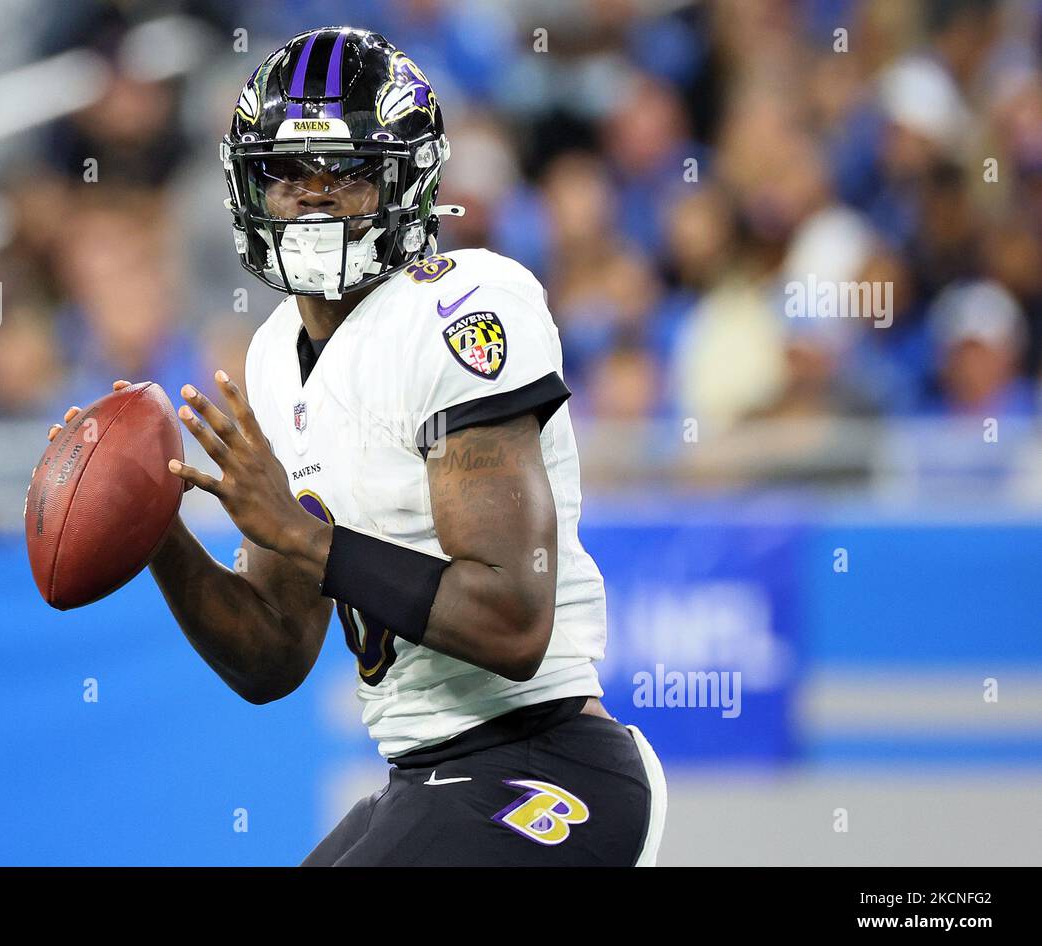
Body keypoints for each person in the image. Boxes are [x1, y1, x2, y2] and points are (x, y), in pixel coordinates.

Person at [48, 27, 666, 866]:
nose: (312, 195)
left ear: (403, 180)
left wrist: (300, 533)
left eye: (343, 171)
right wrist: (151, 520)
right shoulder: (271, 355)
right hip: (421, 776)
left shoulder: (462, 308)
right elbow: (272, 655)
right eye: (285, 171)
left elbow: (514, 621)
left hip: (545, 761)